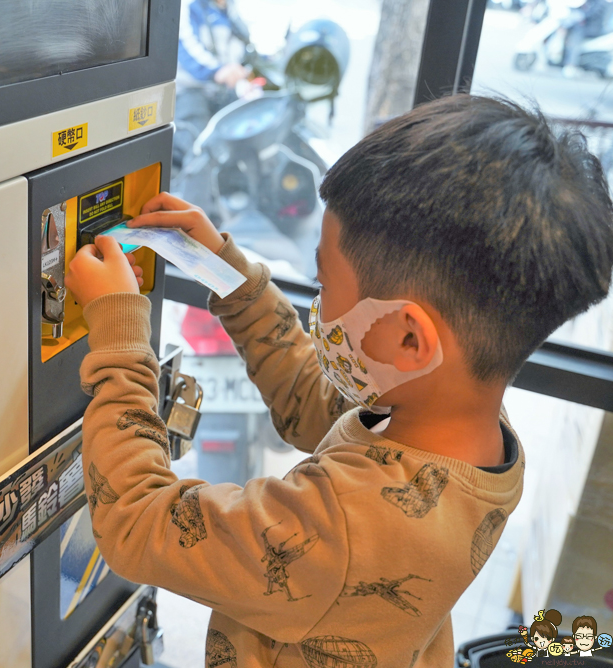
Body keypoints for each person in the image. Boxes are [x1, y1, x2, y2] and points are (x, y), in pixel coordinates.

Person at [64, 95, 613, 667]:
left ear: (408, 339)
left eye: (324, 284)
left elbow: (135, 521)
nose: (319, 305)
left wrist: (121, 335)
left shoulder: (340, 527)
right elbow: (312, 405)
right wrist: (224, 273)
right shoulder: (466, 431)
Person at [173, 0, 251, 170]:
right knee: (199, 153)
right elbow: (187, 46)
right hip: (190, 92)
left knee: (245, 141)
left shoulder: (231, 10)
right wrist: (217, 71)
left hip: (222, 93)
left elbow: (244, 50)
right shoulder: (189, 6)